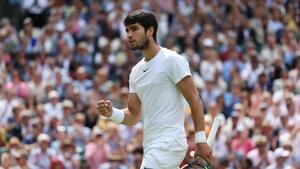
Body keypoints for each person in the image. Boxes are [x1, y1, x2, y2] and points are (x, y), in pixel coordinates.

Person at [97, 9, 212, 168]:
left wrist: (201, 141)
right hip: (151, 147)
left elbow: (195, 100)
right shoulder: (135, 72)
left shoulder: (172, 60)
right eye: (127, 30)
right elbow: (133, 115)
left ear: (150, 30)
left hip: (169, 144)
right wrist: (111, 113)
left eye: (135, 29)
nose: (129, 34)